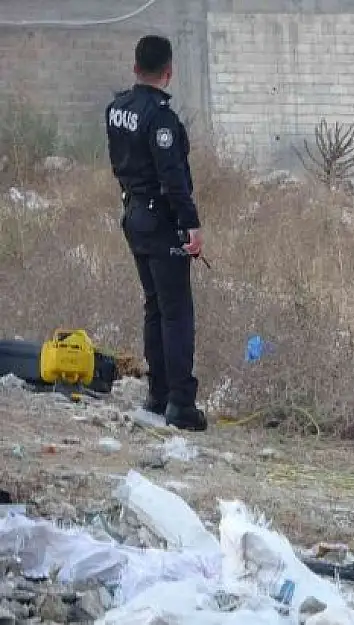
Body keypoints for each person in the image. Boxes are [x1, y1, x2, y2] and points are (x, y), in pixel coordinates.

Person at [105, 35, 206, 432]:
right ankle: (180, 403)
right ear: (169, 72)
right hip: (160, 221)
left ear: (135, 68)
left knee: (155, 307)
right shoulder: (160, 118)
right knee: (176, 313)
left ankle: (158, 394)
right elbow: (173, 178)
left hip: (133, 215)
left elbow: (119, 162)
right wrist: (191, 225)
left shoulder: (117, 109)